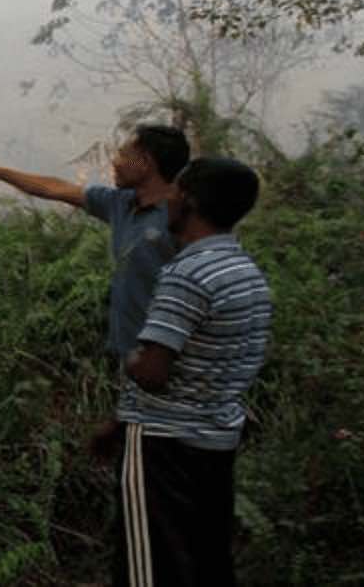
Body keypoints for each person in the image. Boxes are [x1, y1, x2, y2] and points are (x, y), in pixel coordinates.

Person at [113, 157, 272, 586]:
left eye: (174, 192)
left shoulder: (186, 274)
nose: (167, 200)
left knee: (150, 567)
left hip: (164, 444)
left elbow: (151, 372)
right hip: (215, 439)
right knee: (203, 559)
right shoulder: (246, 272)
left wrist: (131, 357)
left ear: (189, 201)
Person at [0, 124, 191, 362]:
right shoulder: (120, 204)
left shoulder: (183, 218)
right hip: (129, 354)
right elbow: (55, 188)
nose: (115, 162)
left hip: (169, 359)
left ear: (145, 163)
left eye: (123, 155)